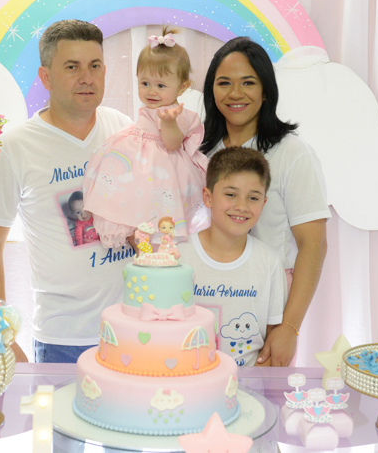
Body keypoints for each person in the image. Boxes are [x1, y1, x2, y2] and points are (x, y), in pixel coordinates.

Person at [0, 20, 132, 363]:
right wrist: (1, 333)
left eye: (95, 66)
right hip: (63, 340)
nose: (86, 78)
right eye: (72, 67)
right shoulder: (16, 148)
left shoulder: (123, 129)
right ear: (46, 77)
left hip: (135, 328)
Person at [200, 37, 330, 367]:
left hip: (269, 306)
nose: (235, 93)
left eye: (248, 83)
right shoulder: (200, 151)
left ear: (266, 91)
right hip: (208, 299)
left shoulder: (293, 154)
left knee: (261, 398)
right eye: (224, 83)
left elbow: (314, 245)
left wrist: (289, 327)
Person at [82, 28, 209, 249]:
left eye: (161, 86)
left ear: (182, 87)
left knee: (158, 207)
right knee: (128, 194)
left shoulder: (178, 114)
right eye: (145, 83)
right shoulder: (147, 113)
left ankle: (155, 246)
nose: (151, 91)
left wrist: (169, 122)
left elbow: (172, 143)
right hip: (140, 159)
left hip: (164, 166)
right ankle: (135, 235)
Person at [178, 147, 287, 367]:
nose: (241, 206)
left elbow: (273, 338)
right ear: (208, 197)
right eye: (230, 194)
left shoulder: (269, 262)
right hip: (187, 378)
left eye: (253, 198)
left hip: (248, 382)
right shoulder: (179, 256)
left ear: (263, 203)